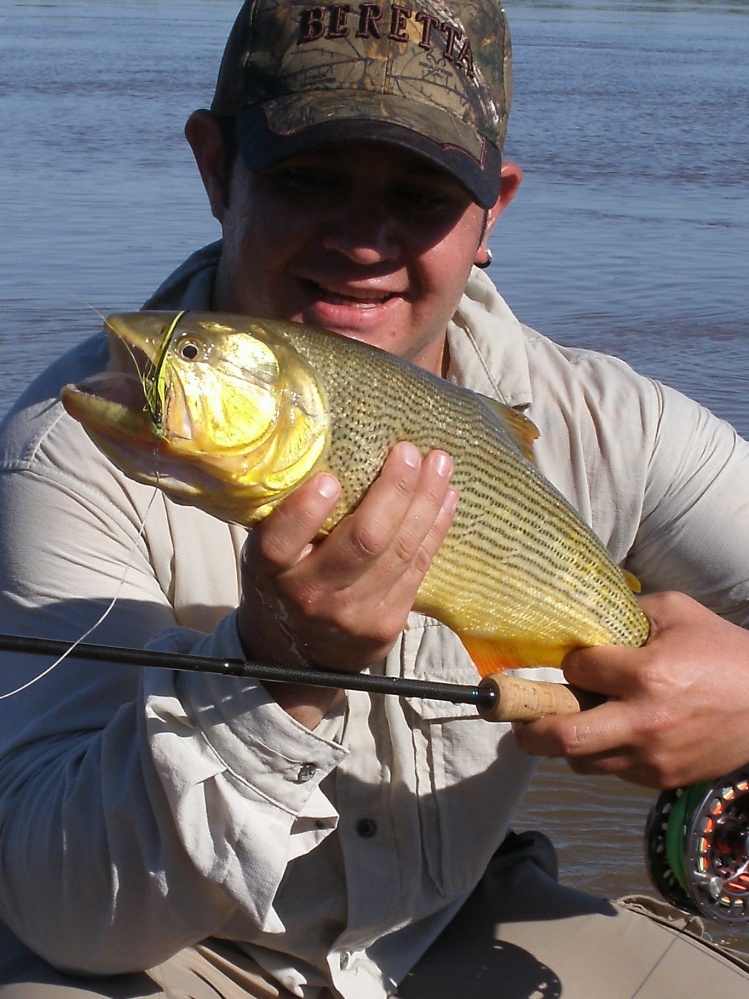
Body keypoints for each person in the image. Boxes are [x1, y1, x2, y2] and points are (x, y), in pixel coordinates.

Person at [1, 0, 749, 996]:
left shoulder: (615, 425)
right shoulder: (73, 454)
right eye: (308, 177)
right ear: (215, 168)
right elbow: (66, 908)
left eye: (422, 192)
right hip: (175, 953)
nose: (364, 239)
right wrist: (276, 671)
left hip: (457, 923)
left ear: (492, 211)